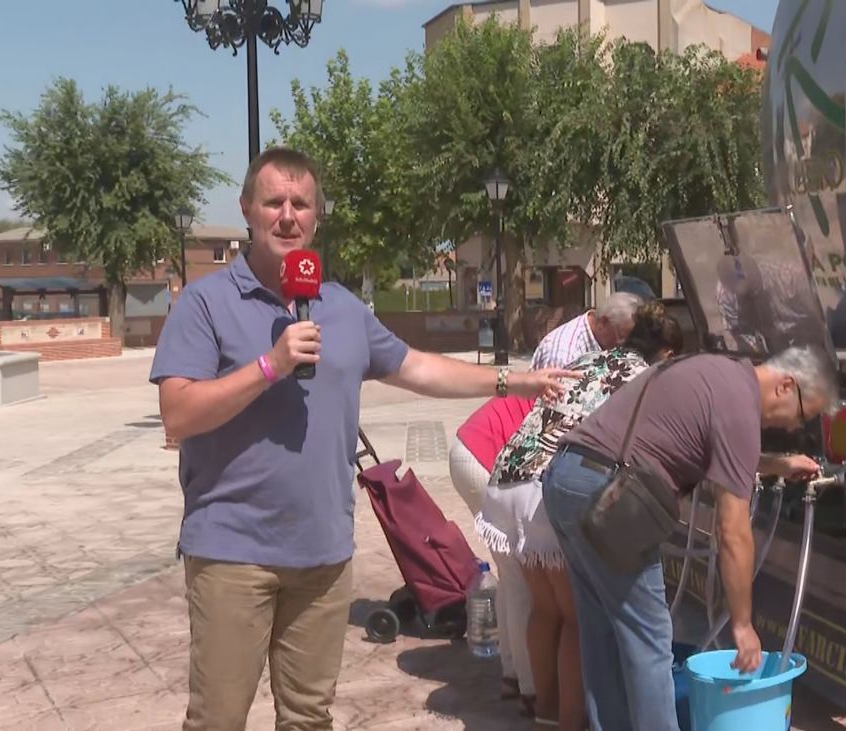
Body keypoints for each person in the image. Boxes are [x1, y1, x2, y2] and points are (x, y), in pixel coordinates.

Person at [150, 146, 575, 731]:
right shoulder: (206, 303)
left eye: (301, 204)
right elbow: (177, 414)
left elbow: (419, 367)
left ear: (316, 216)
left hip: (323, 554)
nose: (287, 216)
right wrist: (270, 365)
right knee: (218, 719)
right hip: (232, 551)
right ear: (248, 209)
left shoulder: (342, 307)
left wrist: (513, 379)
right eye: (273, 202)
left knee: (308, 718)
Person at [540, 346, 838, 731]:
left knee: (603, 632)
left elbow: (706, 441)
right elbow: (732, 532)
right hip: (610, 500)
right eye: (802, 416)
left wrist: (776, 464)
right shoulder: (739, 407)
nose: (795, 428)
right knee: (650, 640)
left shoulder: (719, 371)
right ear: (785, 385)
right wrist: (743, 625)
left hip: (568, 478)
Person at [477, 302, 683, 730]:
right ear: (665, 353)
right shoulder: (647, 378)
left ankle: (546, 712)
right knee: (576, 619)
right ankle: (572, 723)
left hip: (508, 476)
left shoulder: (591, 358)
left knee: (546, 608)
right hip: (548, 486)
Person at [447, 394, 538, 712]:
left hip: (469, 449)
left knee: (509, 575)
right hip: (482, 456)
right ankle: (530, 689)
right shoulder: (573, 392)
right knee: (522, 581)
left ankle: (512, 675)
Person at [530, 292, 643, 370]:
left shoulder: (601, 342)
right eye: (621, 336)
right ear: (603, 322)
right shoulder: (565, 354)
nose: (623, 344)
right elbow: (553, 402)